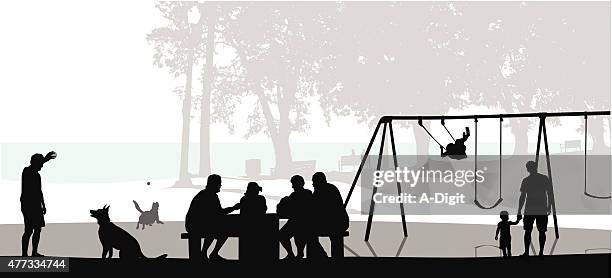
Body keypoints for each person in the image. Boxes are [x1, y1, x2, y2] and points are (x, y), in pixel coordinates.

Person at [185, 174, 239, 261]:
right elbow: (218, 213)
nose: (220, 186)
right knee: (221, 230)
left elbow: (216, 214)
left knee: (217, 229)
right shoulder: (209, 196)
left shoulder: (205, 194)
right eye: (219, 184)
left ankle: (207, 253)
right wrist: (233, 208)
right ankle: (208, 253)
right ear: (214, 184)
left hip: (194, 224)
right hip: (195, 226)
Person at [21, 151, 56, 257]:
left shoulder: (37, 175)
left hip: (36, 205)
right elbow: (34, 168)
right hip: (28, 205)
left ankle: (34, 252)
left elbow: (39, 191)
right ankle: (24, 254)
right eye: (40, 164)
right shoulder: (27, 171)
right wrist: (45, 159)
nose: (42, 166)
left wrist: (43, 204)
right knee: (28, 230)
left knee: (37, 229)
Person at [309, 172, 349, 258]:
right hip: (340, 222)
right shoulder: (331, 188)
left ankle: (322, 256)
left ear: (318, 182)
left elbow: (315, 208)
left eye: (314, 182)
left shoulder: (321, 191)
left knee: (309, 233)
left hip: (335, 223)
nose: (312, 184)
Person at [517, 161, 553, 257]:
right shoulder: (544, 178)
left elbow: (523, 197)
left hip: (530, 209)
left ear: (528, 169)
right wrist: (549, 206)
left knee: (528, 231)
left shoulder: (526, 180)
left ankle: (527, 252)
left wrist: (519, 210)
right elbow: (550, 193)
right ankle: (541, 252)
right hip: (541, 208)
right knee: (541, 231)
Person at [277, 175, 313, 260]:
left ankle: (294, 254)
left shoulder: (300, 195)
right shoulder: (304, 194)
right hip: (298, 222)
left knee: (286, 234)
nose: (292, 186)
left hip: (300, 222)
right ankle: (294, 254)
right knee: (282, 235)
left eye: (294, 184)